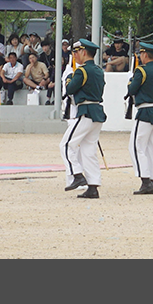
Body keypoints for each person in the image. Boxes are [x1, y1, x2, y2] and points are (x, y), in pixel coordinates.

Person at [63, 39, 107, 198]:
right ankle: (93, 186)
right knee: (89, 150)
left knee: (66, 144)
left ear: (83, 52)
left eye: (76, 52)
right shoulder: (98, 70)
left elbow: (70, 89)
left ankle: (77, 175)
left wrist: (69, 77)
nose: (74, 55)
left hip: (86, 110)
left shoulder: (82, 71)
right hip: (96, 111)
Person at [127, 42, 153, 195]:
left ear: (144, 55)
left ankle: (145, 180)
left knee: (136, 146)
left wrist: (131, 79)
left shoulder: (141, 71)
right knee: (151, 147)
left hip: (145, 111)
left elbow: (132, 89)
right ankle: (152, 179)